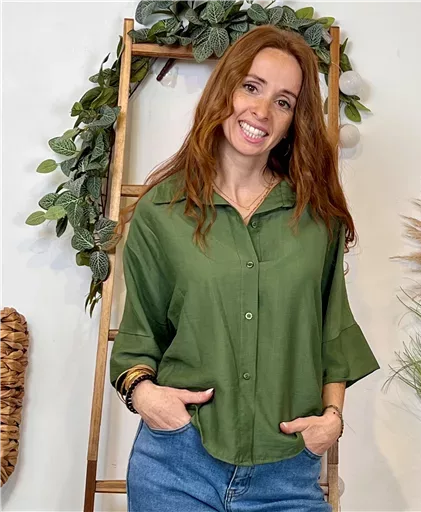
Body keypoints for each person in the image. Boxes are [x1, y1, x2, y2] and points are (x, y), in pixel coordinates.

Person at [109, 24, 380, 512]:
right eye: (251, 87)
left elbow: (332, 330)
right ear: (225, 90)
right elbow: (139, 336)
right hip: (177, 467)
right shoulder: (161, 212)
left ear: (294, 120)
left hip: (287, 474)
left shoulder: (316, 218)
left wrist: (332, 420)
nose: (261, 111)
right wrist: (147, 397)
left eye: (283, 101)